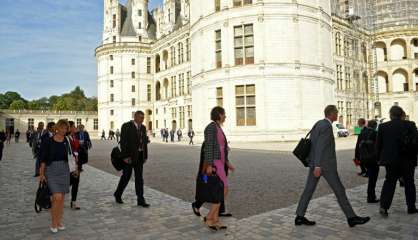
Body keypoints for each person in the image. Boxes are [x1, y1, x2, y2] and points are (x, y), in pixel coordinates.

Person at [295, 105, 370, 227]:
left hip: (315, 163)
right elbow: (320, 146)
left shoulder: (318, 123)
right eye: (336, 113)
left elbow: (314, 144)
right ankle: (351, 218)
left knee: (308, 190)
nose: (337, 115)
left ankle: (299, 216)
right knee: (340, 190)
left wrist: (315, 164)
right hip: (325, 166)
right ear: (332, 114)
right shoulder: (326, 126)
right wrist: (318, 166)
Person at [192, 106, 234, 230]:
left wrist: (227, 162)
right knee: (223, 190)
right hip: (215, 163)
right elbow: (209, 147)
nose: (225, 116)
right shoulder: (211, 127)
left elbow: (222, 147)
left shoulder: (218, 127)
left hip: (220, 163)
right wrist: (209, 164)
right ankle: (210, 217)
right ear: (219, 114)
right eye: (224, 114)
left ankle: (215, 219)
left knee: (221, 190)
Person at [377, 106, 418, 217]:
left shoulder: (383, 127)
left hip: (391, 160)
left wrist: (379, 159)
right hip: (408, 160)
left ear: (391, 115)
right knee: (409, 183)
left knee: (389, 182)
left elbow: (379, 146)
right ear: (402, 114)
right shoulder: (410, 125)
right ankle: (411, 207)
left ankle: (384, 207)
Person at [39, 119, 71, 233]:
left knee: (61, 199)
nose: (63, 130)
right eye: (62, 128)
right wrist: (41, 173)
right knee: (56, 197)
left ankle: (58, 221)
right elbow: (42, 158)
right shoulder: (48, 141)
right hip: (51, 170)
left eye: (66, 128)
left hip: (64, 170)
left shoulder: (66, 140)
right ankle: (53, 223)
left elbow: (70, 155)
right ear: (57, 128)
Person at [114, 111, 150, 207]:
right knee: (126, 177)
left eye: (143, 118)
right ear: (135, 117)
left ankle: (140, 199)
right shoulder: (126, 126)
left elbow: (144, 143)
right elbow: (123, 142)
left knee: (139, 179)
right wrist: (125, 157)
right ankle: (118, 194)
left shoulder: (143, 127)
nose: (142, 119)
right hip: (129, 158)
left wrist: (145, 156)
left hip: (140, 157)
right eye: (140, 117)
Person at [357, 120, 380, 203]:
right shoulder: (375, 133)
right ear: (375, 126)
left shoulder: (362, 133)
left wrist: (358, 158)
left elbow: (357, 146)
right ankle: (371, 197)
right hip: (373, 159)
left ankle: (371, 196)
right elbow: (378, 147)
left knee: (371, 177)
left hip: (364, 158)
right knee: (373, 179)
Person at [68, 121, 82, 210]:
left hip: (75, 163)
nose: (75, 128)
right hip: (68, 164)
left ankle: (73, 201)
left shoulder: (74, 136)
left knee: (76, 182)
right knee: (68, 183)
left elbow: (76, 149)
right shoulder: (66, 138)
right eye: (73, 126)